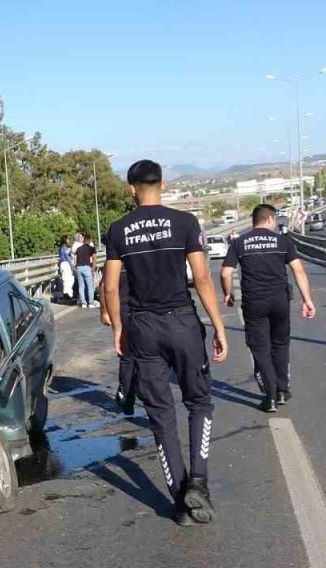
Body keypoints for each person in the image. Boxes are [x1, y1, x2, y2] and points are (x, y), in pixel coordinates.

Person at [104, 160, 228, 526]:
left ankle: (179, 503)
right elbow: (202, 276)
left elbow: (111, 287)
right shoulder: (185, 222)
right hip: (182, 321)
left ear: (131, 189)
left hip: (142, 327)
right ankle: (199, 484)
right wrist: (218, 325)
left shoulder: (118, 230)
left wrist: (118, 330)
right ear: (164, 184)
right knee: (199, 402)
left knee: (161, 414)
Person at [219, 205, 318, 413]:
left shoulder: (239, 243)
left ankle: (270, 397)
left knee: (260, 349)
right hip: (280, 301)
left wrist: (228, 294)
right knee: (280, 345)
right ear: (271, 219)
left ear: (254, 221)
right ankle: (282, 391)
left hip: (254, 303)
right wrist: (307, 300)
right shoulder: (283, 241)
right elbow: (298, 269)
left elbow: (226, 273)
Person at [99, 232, 138, 417]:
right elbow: (105, 287)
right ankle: (129, 392)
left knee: (127, 356)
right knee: (135, 356)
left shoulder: (112, 263)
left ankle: (127, 392)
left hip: (124, 310)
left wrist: (105, 312)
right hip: (135, 309)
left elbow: (105, 287)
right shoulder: (134, 256)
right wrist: (105, 312)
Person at [74, 232, 98, 308]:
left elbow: (75, 259)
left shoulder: (79, 249)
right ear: (89, 240)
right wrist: (93, 269)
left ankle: (83, 303)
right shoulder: (91, 248)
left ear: (84, 240)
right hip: (87, 267)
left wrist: (75, 268)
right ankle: (90, 303)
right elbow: (94, 258)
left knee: (81, 286)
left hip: (79, 268)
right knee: (90, 286)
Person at [57, 236, 75, 303]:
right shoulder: (65, 248)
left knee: (67, 280)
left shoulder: (61, 248)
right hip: (66, 264)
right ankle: (67, 295)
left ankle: (67, 294)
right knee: (68, 280)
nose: (69, 240)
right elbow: (68, 258)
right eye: (68, 239)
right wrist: (72, 267)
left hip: (63, 264)